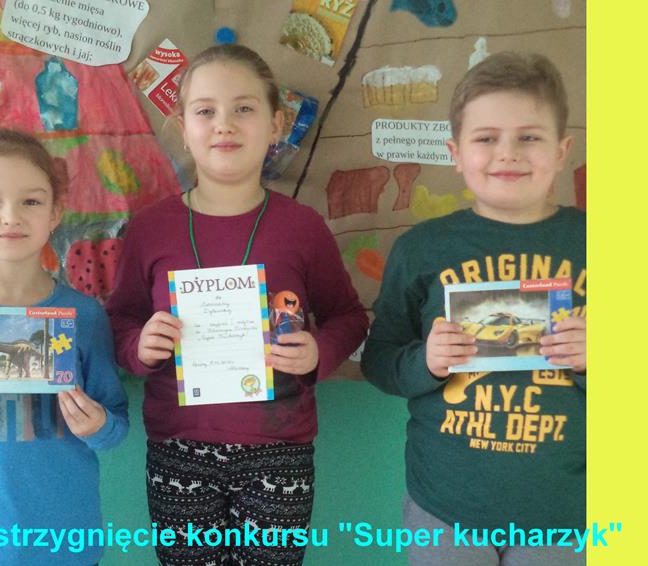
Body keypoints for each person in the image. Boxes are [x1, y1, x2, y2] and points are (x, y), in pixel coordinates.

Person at [106, 44, 368, 565]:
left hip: (279, 449)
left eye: (244, 108)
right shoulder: (150, 229)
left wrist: (318, 352)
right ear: (183, 127)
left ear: (275, 125)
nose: (224, 124)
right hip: (179, 448)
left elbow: (350, 317)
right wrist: (140, 346)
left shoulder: (302, 227)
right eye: (205, 110)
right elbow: (120, 320)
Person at [361, 52, 586, 565]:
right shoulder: (421, 248)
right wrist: (426, 362)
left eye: (529, 137)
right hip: (444, 507)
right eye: (486, 138)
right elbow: (379, 359)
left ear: (561, 151)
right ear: (456, 153)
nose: (508, 153)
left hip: (567, 511)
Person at [0, 129, 129, 566]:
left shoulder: (85, 316)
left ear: (55, 211)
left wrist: (97, 425)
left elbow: (116, 423)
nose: (11, 217)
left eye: (30, 201)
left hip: (69, 537)